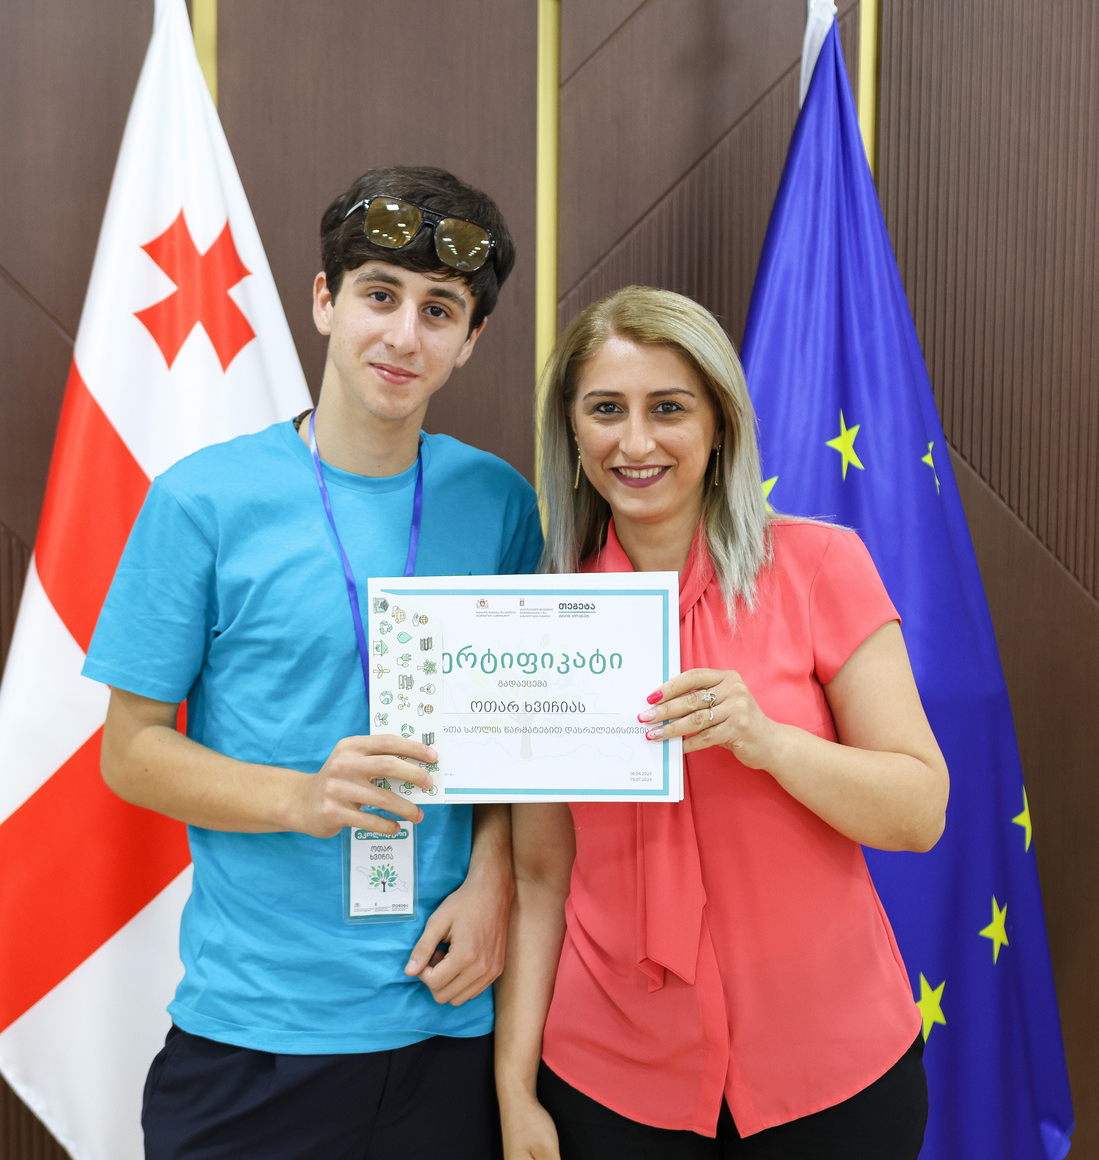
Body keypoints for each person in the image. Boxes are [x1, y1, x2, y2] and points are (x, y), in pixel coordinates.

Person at [85, 167, 540, 1160]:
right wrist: (304, 796)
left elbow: (519, 737)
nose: (404, 335)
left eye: (439, 310)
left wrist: (495, 877)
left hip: (447, 1023)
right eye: (380, 295)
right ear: (325, 301)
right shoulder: (200, 502)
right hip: (255, 1035)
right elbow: (131, 751)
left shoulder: (501, 504)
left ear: (471, 340)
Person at [494, 286, 949, 1160]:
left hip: (836, 1073)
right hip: (611, 1081)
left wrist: (768, 743)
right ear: (572, 432)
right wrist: (515, 1089)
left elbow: (919, 811)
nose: (635, 442)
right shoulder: (544, 619)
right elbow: (541, 878)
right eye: (605, 410)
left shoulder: (821, 565)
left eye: (668, 408)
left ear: (719, 425)